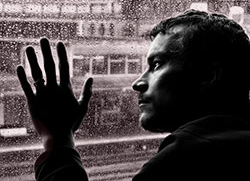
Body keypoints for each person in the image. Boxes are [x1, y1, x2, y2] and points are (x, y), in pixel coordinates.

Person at [17, 10, 250, 180]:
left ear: (208, 76)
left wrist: (57, 140)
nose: (137, 83)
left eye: (157, 64)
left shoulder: (188, 159)